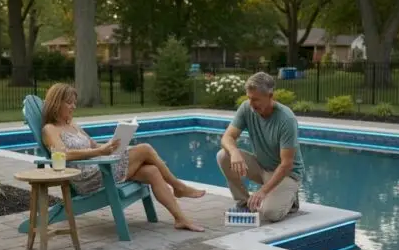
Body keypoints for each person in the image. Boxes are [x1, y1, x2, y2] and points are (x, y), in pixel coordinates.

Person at [41, 83, 206, 232]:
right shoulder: (50, 129)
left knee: (152, 171)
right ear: (56, 103)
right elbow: (62, 154)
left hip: (100, 167)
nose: (73, 106)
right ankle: (178, 187)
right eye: (69, 103)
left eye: (74, 102)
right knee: (145, 149)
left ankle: (180, 219)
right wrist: (99, 153)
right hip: (86, 177)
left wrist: (112, 145)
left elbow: (93, 145)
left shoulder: (73, 125)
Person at [217, 72, 304, 223]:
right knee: (223, 156)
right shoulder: (246, 109)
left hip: (287, 174)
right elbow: (227, 137)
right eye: (249, 98)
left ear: (270, 96)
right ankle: (244, 202)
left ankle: (292, 200)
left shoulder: (286, 119)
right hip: (262, 167)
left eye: (256, 99)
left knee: (271, 213)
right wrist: (234, 152)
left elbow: (286, 164)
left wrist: (262, 191)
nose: (251, 104)